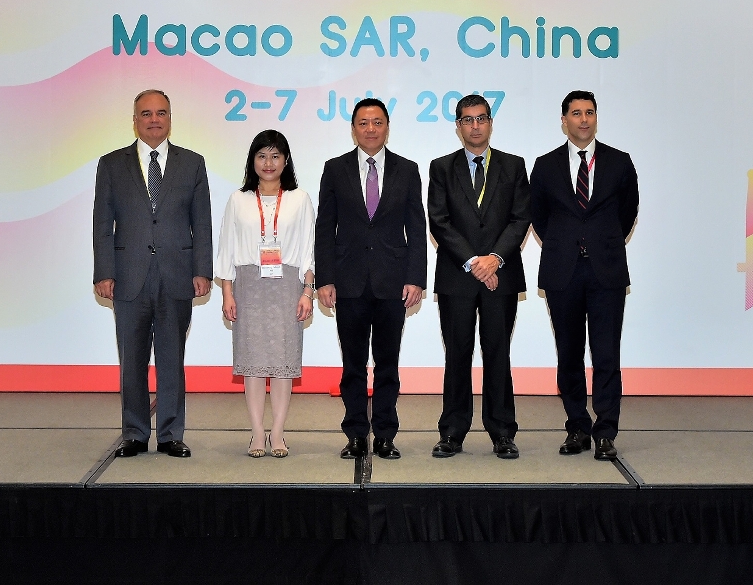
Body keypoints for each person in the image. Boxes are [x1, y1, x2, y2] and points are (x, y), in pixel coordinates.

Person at [93, 89, 212, 458]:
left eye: (161, 112)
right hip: (128, 276)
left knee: (171, 358)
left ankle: (171, 434)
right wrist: (103, 271)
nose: (154, 119)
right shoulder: (111, 164)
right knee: (132, 359)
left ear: (170, 118)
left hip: (177, 274)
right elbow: (102, 223)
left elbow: (201, 222)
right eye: (146, 113)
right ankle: (134, 433)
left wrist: (203, 269)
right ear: (135, 120)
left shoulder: (192, 163)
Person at [315, 98, 427, 461]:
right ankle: (355, 434)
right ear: (353, 128)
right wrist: (325, 278)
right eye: (363, 123)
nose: (370, 129)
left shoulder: (407, 170)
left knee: (388, 365)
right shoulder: (335, 169)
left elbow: (417, 226)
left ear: (387, 126)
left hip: (393, 283)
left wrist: (416, 278)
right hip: (347, 283)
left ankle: (385, 435)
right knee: (352, 365)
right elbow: (324, 228)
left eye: (377, 122)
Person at [529, 91, 638, 461]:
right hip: (563, 272)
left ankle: (606, 430)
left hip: (606, 271)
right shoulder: (544, 166)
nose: (584, 119)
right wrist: (567, 244)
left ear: (596, 117)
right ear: (564, 120)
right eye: (576, 113)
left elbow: (627, 212)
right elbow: (539, 218)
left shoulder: (619, 162)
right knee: (569, 355)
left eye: (589, 112)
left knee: (607, 355)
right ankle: (577, 426)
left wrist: (600, 242)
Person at [427, 95, 531, 460]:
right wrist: (474, 261)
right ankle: (452, 432)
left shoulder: (514, 166)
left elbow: (521, 218)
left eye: (481, 118)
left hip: (501, 275)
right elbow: (438, 221)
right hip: (458, 276)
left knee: (498, 353)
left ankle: (502, 431)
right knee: (457, 354)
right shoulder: (441, 167)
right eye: (467, 120)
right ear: (458, 126)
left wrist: (495, 259)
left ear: (490, 123)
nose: (475, 125)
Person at [216, 130, 315, 458]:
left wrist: (307, 292)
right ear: (252, 161)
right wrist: (228, 293)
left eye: (275, 156)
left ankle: (278, 433)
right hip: (248, 285)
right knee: (254, 364)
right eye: (261, 156)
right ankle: (257, 432)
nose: (268, 163)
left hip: (287, 285)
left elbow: (308, 250)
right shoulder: (238, 199)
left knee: (284, 361)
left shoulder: (300, 199)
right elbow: (227, 250)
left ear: (285, 160)